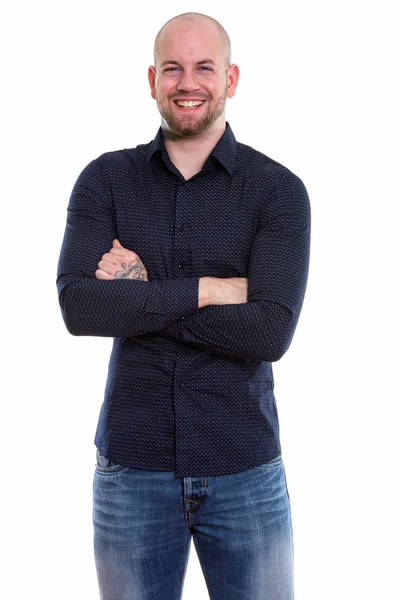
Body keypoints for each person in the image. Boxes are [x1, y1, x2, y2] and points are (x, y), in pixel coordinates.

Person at [56, 11, 311, 600]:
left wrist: (141, 294)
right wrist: (209, 288)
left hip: (245, 467)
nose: (187, 82)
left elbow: (270, 330)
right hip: (131, 469)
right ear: (151, 79)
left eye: (204, 67)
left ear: (231, 78)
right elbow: (79, 308)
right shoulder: (105, 181)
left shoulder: (278, 191)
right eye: (173, 68)